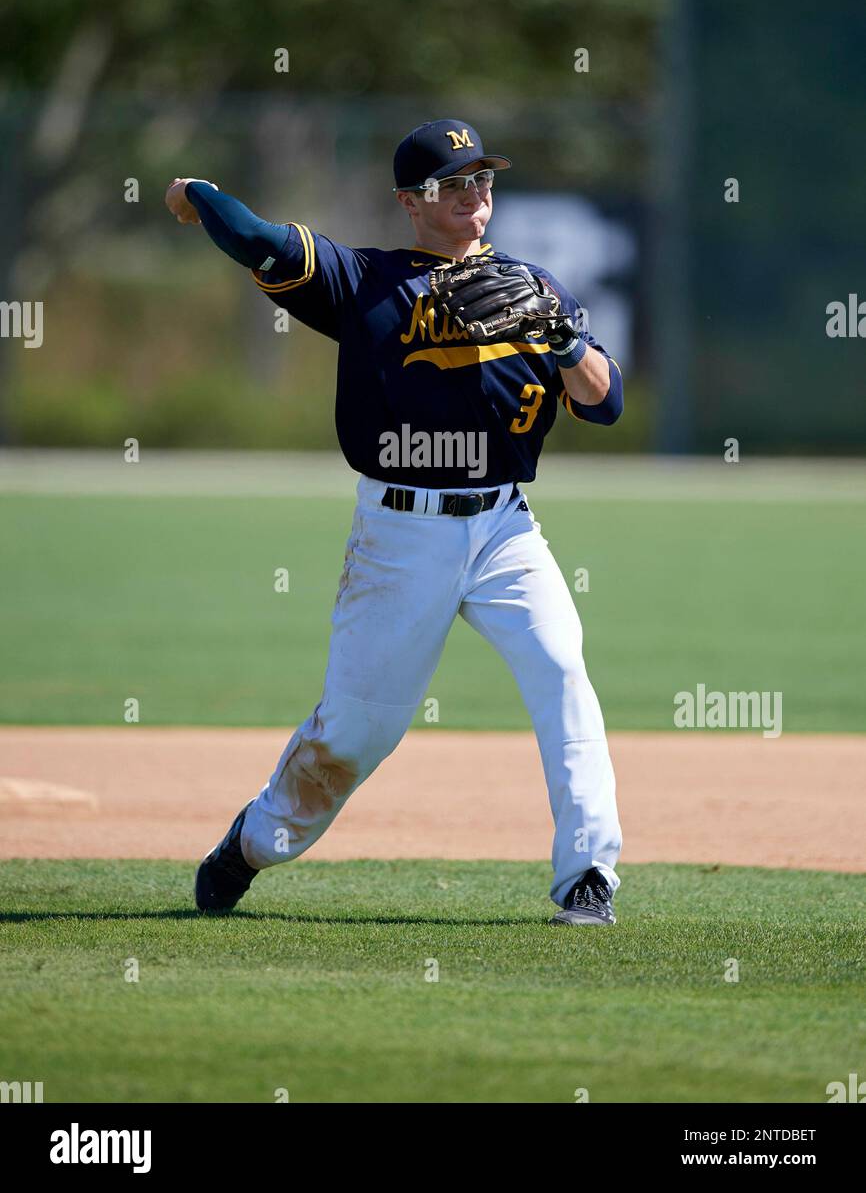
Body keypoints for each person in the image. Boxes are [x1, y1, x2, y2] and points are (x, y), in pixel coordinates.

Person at [164, 117, 623, 925]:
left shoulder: (536, 287)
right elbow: (262, 241)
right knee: (357, 734)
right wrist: (198, 194)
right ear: (411, 202)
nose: (474, 196)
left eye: (482, 179)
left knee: (562, 672)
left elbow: (605, 401)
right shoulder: (363, 282)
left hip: (506, 528)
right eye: (453, 183)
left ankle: (587, 879)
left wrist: (564, 337)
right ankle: (254, 844)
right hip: (399, 536)